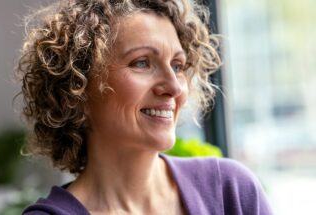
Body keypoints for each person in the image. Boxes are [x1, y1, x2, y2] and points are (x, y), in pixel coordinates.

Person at [18, 0, 273, 214]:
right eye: (141, 63)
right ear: (77, 89)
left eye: (177, 65)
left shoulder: (231, 191)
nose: (174, 87)